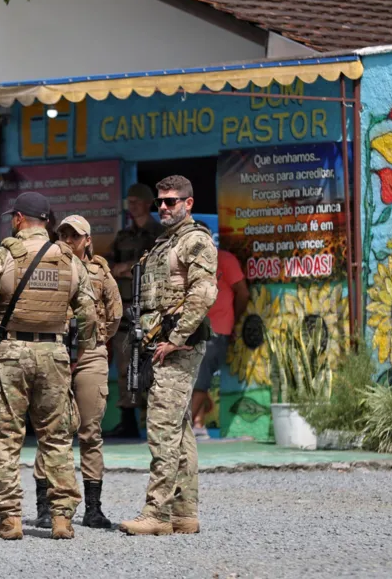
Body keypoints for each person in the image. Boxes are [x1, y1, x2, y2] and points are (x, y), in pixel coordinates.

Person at [0, 192, 99, 541]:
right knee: (56, 438)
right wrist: (80, 351)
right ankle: (61, 518)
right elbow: (88, 311)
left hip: (10, 351)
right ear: (49, 221)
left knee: (5, 436)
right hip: (54, 352)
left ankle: (9, 519)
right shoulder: (70, 259)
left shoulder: (3, 256)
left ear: (19, 218)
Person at [118, 175, 217, 537]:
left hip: (176, 347)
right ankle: (184, 513)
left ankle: (156, 513)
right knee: (179, 430)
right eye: (160, 201)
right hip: (161, 345)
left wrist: (176, 337)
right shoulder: (165, 242)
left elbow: (204, 293)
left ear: (188, 203)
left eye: (171, 201)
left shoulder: (194, 241)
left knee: (161, 428)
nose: (163, 206)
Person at [32, 215, 122, 530]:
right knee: (51, 431)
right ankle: (45, 506)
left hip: (90, 356)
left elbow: (115, 313)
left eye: (76, 235)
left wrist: (96, 342)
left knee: (90, 432)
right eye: (65, 234)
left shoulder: (100, 271)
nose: (69, 239)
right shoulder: (46, 265)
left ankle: (93, 508)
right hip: (55, 351)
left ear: (87, 239)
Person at [106, 183, 164, 438]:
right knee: (124, 367)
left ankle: (154, 422)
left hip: (152, 310)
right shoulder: (123, 236)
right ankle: (128, 421)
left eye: (137, 200)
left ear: (148, 203)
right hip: (126, 311)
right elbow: (109, 265)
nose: (132, 205)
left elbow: (155, 265)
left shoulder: (160, 233)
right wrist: (125, 267)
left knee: (152, 366)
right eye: (129, 200)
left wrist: (128, 267)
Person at [190, 249, 248, 438]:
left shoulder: (224, 259)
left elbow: (242, 292)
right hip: (190, 328)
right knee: (191, 378)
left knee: (200, 379)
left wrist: (234, 320)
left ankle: (180, 427)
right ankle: (197, 425)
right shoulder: (187, 259)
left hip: (216, 328)